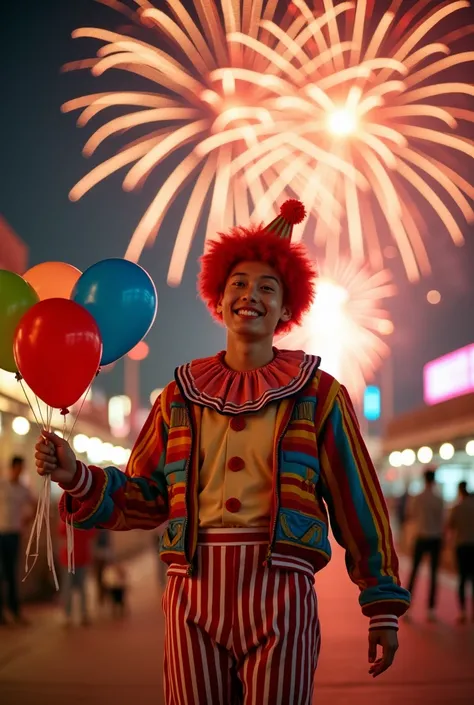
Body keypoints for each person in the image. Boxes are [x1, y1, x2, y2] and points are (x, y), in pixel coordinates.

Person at [34, 199, 410, 704]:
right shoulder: (179, 395)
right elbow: (146, 495)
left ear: (285, 309)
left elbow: (357, 502)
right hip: (192, 592)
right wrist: (76, 475)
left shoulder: (319, 395)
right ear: (218, 296)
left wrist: (380, 602)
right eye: (238, 283)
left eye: (266, 288)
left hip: (281, 591)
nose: (250, 295)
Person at [0, 456, 36, 625]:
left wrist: (26, 520)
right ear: (13, 467)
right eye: (18, 468)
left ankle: (14, 611)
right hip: (1, 533)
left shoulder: (23, 489)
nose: (20, 471)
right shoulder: (3, 485)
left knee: (11, 573)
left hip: (14, 535)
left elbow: (35, 504)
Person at [406, 467, 444, 621]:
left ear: (424, 479)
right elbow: (443, 520)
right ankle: (431, 609)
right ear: (434, 480)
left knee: (414, 572)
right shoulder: (439, 499)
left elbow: (411, 515)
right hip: (435, 538)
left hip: (421, 537)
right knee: (434, 574)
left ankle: (408, 608)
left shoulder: (417, 497)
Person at [58, 519, 96, 626]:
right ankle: (76, 614)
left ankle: (71, 615)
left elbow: (61, 532)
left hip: (74, 558)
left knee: (71, 587)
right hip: (74, 558)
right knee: (77, 587)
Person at [446, 481, 474, 624]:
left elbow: (450, 525)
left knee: (463, 579)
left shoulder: (457, 507)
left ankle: (462, 611)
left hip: (461, 545)